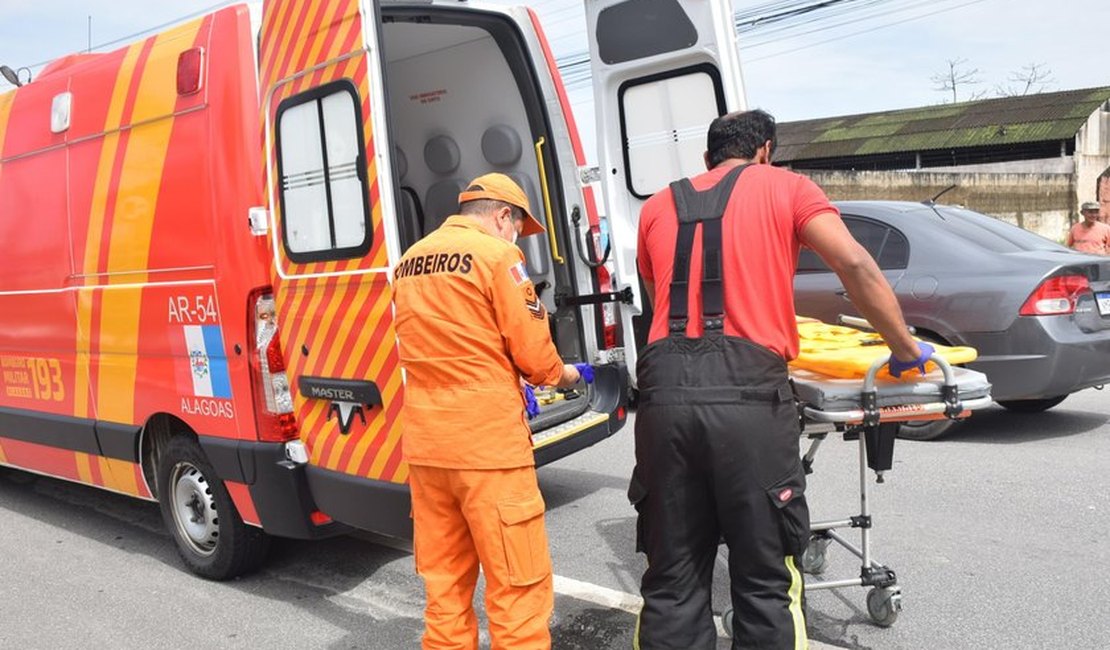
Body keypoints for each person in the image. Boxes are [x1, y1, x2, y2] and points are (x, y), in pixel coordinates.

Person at [631, 109, 928, 649]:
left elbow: (658, 299)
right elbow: (855, 265)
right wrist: (905, 349)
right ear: (766, 150)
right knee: (765, 580)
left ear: (707, 160)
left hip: (662, 400)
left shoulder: (655, 207)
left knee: (671, 582)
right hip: (749, 401)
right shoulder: (787, 187)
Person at [391, 173, 590, 649]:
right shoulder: (499, 257)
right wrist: (570, 375)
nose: (518, 237)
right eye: (519, 227)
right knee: (517, 592)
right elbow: (536, 358)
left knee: (445, 593)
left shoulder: (408, 262)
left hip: (428, 448)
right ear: (503, 216)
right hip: (489, 451)